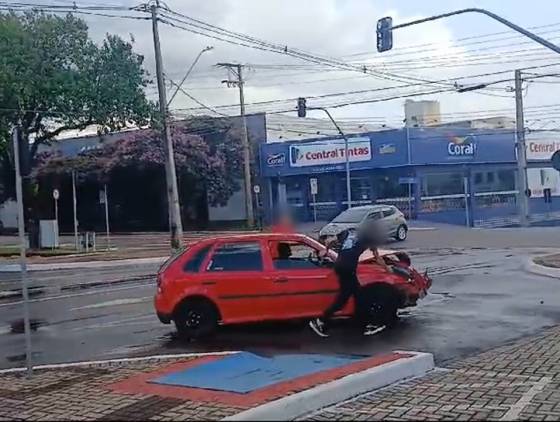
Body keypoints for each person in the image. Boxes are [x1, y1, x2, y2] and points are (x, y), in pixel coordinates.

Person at [309, 219, 387, 337]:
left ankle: (364, 325)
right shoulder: (369, 238)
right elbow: (377, 257)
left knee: (358, 296)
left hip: (339, 266)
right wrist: (387, 268)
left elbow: (331, 240)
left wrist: (326, 250)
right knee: (347, 298)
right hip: (348, 268)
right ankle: (321, 319)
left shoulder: (349, 232)